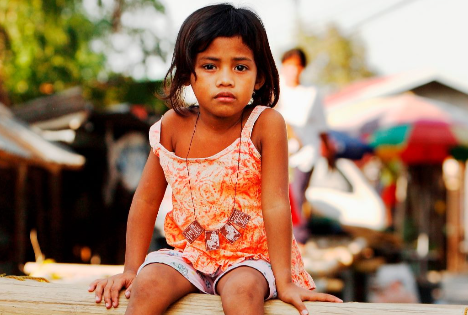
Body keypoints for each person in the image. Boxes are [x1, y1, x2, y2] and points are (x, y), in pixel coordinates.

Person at [88, 4, 342, 315]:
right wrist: (131, 269)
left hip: (250, 256)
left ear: (260, 77)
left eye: (240, 67)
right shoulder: (172, 126)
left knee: (242, 291)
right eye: (210, 66)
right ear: (188, 75)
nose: (225, 79)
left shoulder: (266, 124)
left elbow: (277, 203)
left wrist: (286, 282)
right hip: (190, 253)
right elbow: (145, 201)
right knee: (149, 282)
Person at [275, 48, 336, 242]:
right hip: (280, 153)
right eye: (289, 66)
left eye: (297, 66)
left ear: (302, 69)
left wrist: (329, 150)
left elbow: (322, 126)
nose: (293, 71)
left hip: (305, 155)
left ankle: (299, 238)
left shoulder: (311, 93)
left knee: (297, 194)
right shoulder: (275, 90)